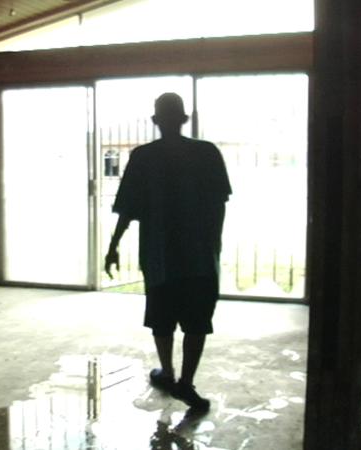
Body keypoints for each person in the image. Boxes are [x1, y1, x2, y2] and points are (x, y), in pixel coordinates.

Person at [104, 92, 231, 412]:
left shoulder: (144, 157)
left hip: (160, 255)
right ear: (184, 119)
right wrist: (213, 242)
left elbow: (127, 209)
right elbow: (219, 203)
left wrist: (113, 247)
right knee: (197, 320)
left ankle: (168, 373)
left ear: (155, 121)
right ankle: (186, 382)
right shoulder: (206, 152)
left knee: (162, 316)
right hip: (200, 256)